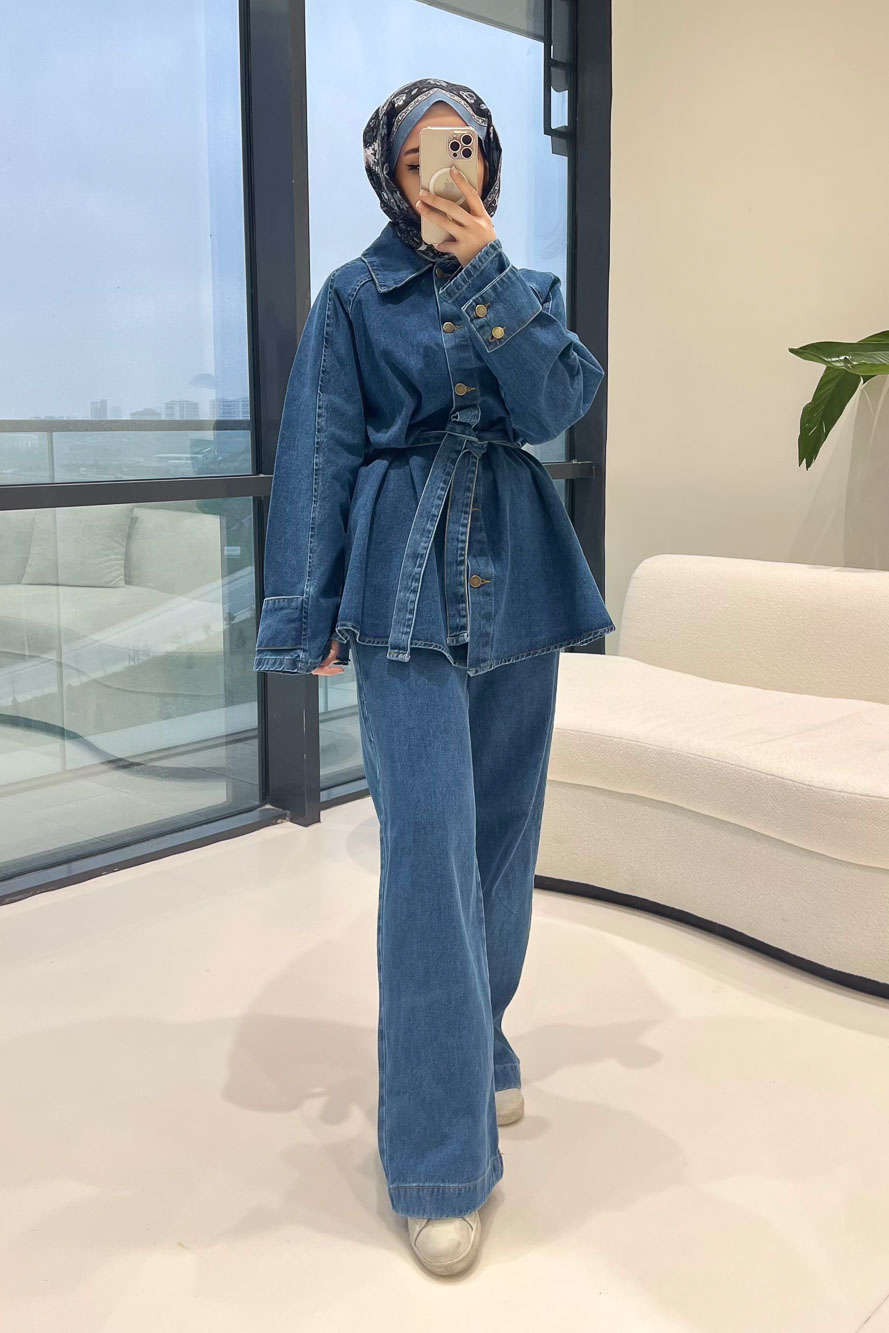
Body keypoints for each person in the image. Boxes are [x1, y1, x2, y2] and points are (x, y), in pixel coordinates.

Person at [253, 77, 615, 1276]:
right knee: (426, 858)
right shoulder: (353, 298)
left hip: (517, 578)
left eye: (458, 151)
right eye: (418, 158)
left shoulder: (526, 287)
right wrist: (307, 612)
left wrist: (486, 273)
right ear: (390, 176)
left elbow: (558, 407)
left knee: (504, 844)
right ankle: (437, 1157)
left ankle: (483, 1045)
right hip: (403, 587)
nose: (440, 175)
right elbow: (318, 454)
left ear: (486, 162)